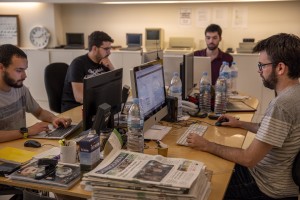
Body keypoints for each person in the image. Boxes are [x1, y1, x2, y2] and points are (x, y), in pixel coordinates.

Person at [187, 33, 300, 199]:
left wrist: (206, 145)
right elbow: (274, 133)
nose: (259, 70)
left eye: (262, 65)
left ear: (280, 68)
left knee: (203, 183)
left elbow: (248, 159)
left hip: (264, 187)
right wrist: (241, 124)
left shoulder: (282, 105)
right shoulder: (295, 94)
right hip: (276, 181)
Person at [0, 44, 73, 199]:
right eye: (19, 70)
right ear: (1, 68)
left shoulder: (19, 88)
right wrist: (27, 131)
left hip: (18, 150)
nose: (24, 75)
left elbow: (39, 112)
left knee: (63, 168)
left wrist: (54, 118)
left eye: (25, 69)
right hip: (5, 158)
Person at [61, 31, 115, 112]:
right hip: (75, 108)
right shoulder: (78, 64)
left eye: (110, 48)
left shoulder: (103, 61)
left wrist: (111, 67)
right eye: (106, 49)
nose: (109, 52)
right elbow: (79, 97)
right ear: (94, 49)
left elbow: (114, 86)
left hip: (95, 105)